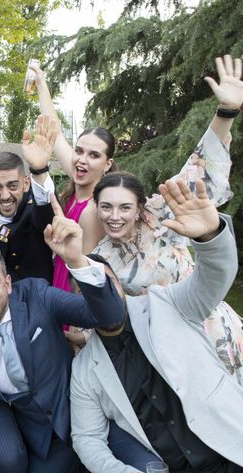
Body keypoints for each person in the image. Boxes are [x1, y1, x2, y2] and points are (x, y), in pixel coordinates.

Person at [0, 190, 126, 473]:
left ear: (8, 284)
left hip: (71, 413)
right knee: (9, 460)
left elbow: (107, 316)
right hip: (25, 419)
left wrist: (77, 260)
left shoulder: (36, 295)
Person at [70, 178, 243, 473]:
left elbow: (214, 279)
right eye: (88, 290)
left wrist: (209, 238)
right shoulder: (86, 369)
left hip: (231, 452)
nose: (99, 293)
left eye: (105, 282)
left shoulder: (167, 307)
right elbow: (86, 438)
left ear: (122, 287)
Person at [91, 54, 243, 383]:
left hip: (216, 329)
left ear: (140, 207)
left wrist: (226, 113)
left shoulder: (159, 217)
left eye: (124, 207)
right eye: (106, 207)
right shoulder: (101, 257)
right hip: (172, 353)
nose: (115, 217)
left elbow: (199, 166)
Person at [30, 62, 116, 291]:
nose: (82, 160)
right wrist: (41, 82)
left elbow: (85, 272)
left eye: (94, 155)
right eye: (79, 151)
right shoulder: (79, 184)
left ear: (107, 164)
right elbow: (54, 130)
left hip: (75, 290)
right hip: (57, 276)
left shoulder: (97, 207)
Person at [0, 114, 58, 283]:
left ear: (26, 184)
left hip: (30, 302)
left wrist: (39, 169)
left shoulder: (33, 211)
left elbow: (45, 216)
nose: (4, 195)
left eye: (12, 186)